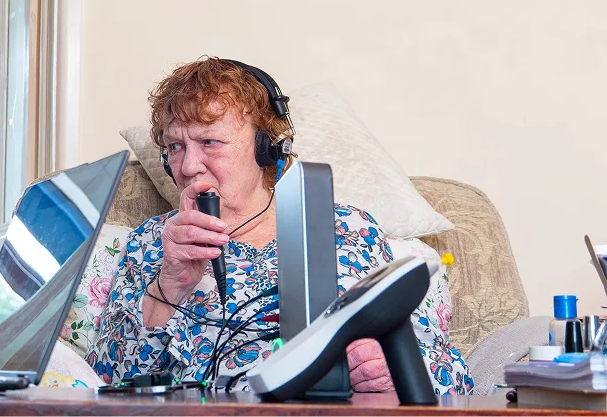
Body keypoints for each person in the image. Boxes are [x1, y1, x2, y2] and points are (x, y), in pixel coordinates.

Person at [85, 57, 472, 394]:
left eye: (210, 142)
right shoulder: (154, 243)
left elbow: (448, 375)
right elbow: (105, 382)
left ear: (266, 147)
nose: (187, 167)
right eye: (175, 146)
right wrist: (168, 286)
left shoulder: (349, 230)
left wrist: (388, 370)